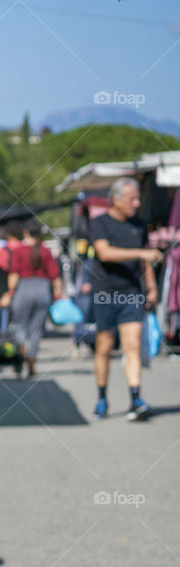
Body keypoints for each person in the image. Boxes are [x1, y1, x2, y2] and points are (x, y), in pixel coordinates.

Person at [90, 177, 161, 421]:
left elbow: (145, 262)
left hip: (131, 291)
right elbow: (104, 253)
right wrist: (142, 252)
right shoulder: (99, 223)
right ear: (116, 200)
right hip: (104, 293)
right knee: (105, 346)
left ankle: (135, 398)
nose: (138, 203)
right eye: (133, 199)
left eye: (138, 198)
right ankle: (102, 397)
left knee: (132, 345)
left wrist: (151, 287)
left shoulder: (139, 225)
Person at [1, 221, 64, 377]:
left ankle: (22, 352)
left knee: (20, 325)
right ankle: (32, 360)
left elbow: (14, 274)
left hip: (24, 289)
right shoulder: (46, 251)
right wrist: (58, 293)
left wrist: (9, 292)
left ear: (26, 232)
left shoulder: (19, 251)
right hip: (43, 290)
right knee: (36, 329)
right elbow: (55, 275)